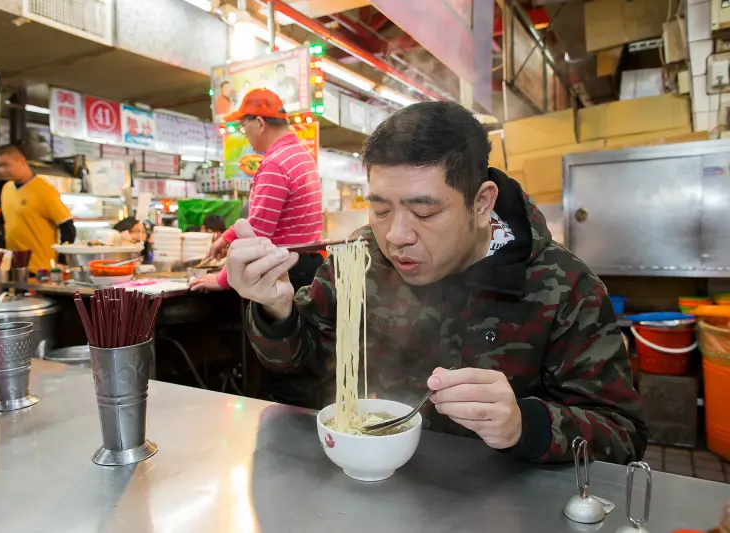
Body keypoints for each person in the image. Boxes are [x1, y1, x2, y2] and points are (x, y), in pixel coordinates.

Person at [224, 101, 648, 464]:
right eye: (381, 209)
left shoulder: (563, 286)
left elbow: (624, 434)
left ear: (481, 204)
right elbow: (304, 364)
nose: (395, 236)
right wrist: (277, 312)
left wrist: (526, 424)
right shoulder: (362, 258)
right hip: (369, 487)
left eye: (423, 213)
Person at [189, 89, 323, 294]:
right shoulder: (301, 155)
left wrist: (223, 279)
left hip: (284, 273)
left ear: (260, 123)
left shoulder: (275, 164)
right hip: (305, 265)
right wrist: (227, 237)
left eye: (244, 128)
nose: (245, 136)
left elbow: (258, 234)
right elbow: (266, 219)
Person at [0, 145, 75, 273]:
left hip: (41, 269)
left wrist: (62, 260)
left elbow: (67, 226)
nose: (1, 170)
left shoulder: (44, 191)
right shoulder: (6, 189)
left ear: (21, 161)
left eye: (5, 165)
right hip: (14, 268)